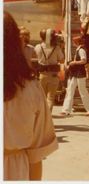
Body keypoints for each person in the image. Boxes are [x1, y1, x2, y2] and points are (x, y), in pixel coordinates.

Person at [4, 11, 58, 180]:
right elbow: (36, 156)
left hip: (40, 77)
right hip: (15, 170)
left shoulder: (37, 49)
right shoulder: (31, 90)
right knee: (49, 99)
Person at [61, 36, 89, 116]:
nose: (73, 43)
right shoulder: (79, 50)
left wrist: (74, 62)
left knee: (82, 91)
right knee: (70, 90)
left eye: (74, 42)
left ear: (76, 42)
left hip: (79, 73)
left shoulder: (81, 50)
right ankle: (66, 110)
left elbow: (84, 61)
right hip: (76, 73)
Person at [35, 29, 65, 112]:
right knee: (51, 98)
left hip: (42, 75)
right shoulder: (57, 48)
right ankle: (48, 117)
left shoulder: (38, 47)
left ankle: (42, 116)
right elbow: (62, 60)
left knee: (42, 97)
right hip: (53, 75)